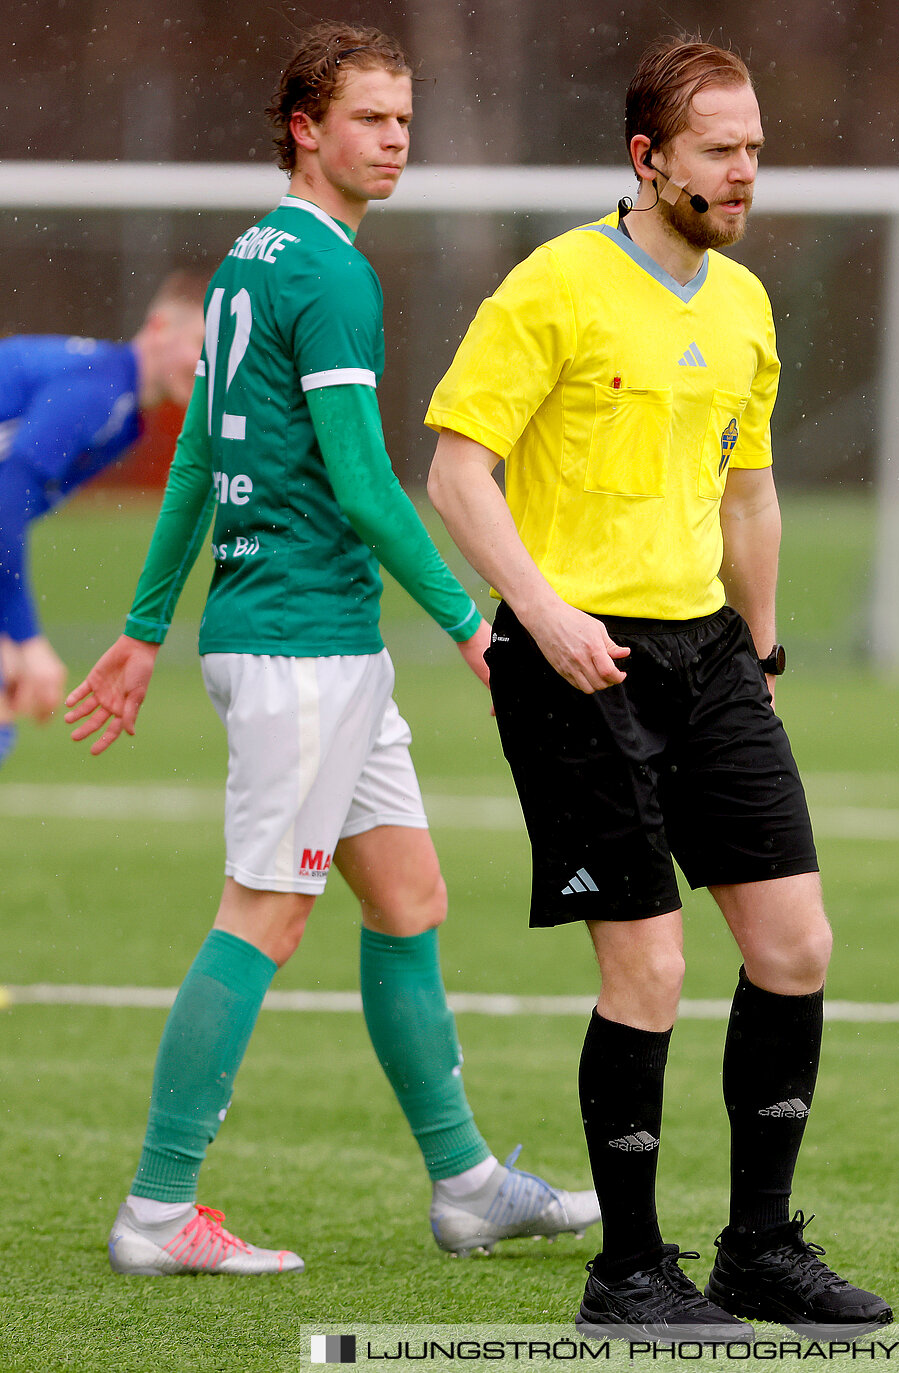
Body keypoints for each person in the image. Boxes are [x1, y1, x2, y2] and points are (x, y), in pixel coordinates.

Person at [63, 21, 598, 1277]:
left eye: (406, 118)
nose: (396, 138)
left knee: (409, 896)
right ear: (306, 127)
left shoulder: (245, 260)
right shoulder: (326, 272)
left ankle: (467, 1184)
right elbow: (365, 482)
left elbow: (197, 453)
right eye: (370, 118)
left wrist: (144, 631)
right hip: (300, 647)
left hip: (320, 644)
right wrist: (474, 620)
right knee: (263, 915)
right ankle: (156, 1209)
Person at [424, 37, 892, 1337]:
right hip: (576, 662)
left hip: (712, 656)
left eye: (754, 148)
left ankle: (758, 1251)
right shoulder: (553, 286)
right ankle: (628, 1274)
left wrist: (768, 641)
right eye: (720, 151)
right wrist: (544, 610)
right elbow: (458, 470)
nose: (746, 172)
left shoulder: (743, 304)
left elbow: (751, 489)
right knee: (649, 969)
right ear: (648, 159)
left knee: (795, 944)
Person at [0, 273, 208, 766]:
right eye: (199, 343)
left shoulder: (123, 411)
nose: (205, 366)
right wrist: (27, 641)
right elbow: (6, 503)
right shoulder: (102, 389)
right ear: (158, 326)